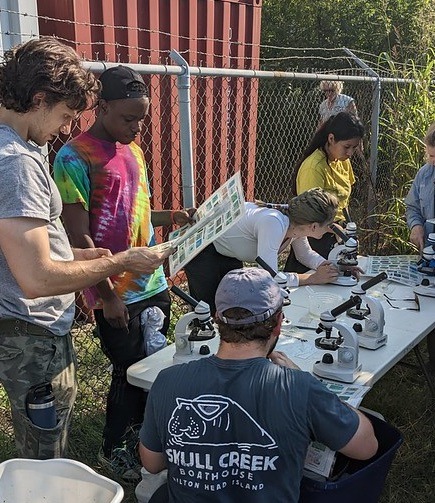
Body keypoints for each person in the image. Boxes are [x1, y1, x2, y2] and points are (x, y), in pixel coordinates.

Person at [0, 38, 172, 460]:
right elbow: (36, 277)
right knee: (43, 456)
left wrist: (80, 257)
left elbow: (25, 249)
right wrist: (118, 262)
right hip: (31, 332)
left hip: (33, 329)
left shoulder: (25, 147)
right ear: (38, 99)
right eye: (63, 115)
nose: (64, 128)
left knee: (44, 442)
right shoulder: (15, 162)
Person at [53, 65, 194, 481]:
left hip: (152, 281)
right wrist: (107, 295)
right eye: (128, 118)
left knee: (152, 365)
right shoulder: (73, 157)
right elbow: (78, 238)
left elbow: (132, 215)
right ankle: (115, 449)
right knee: (128, 372)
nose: (136, 128)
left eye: (142, 120)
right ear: (104, 106)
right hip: (115, 290)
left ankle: (146, 442)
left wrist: (174, 216)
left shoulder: (131, 150)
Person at [139, 267, 378, 503]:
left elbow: (152, 464)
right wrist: (308, 382)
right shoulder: (299, 387)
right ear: (278, 324)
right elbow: (367, 447)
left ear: (216, 320)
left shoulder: (167, 381)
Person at [184, 188, 340, 315]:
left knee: (230, 308)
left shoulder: (296, 224)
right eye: (329, 224)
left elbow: (305, 254)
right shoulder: (273, 222)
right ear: (313, 226)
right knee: (211, 313)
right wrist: (312, 278)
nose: (331, 228)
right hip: (203, 249)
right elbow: (268, 277)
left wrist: (327, 266)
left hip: (225, 249)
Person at [284, 112, 365, 273]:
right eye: (346, 147)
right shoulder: (314, 167)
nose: (350, 153)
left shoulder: (343, 161)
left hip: (337, 233)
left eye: (354, 148)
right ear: (331, 139)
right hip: (315, 236)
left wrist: (345, 230)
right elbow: (309, 215)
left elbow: (344, 200)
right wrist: (337, 230)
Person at [405, 122, 435, 375]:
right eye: (429, 155)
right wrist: (415, 226)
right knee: (427, 306)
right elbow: (412, 206)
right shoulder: (424, 174)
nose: (432, 161)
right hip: (427, 252)